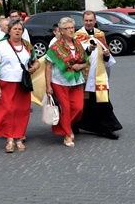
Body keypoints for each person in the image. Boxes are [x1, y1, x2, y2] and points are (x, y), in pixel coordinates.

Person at [0, 19, 40, 152]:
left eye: (20, 29)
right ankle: (10, 139)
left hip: (22, 84)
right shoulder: (0, 45)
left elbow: (36, 61)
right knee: (8, 111)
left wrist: (34, 67)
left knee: (22, 111)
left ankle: (19, 137)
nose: (18, 31)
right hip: (5, 83)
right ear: (9, 30)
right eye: (15, 29)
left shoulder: (27, 46)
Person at [74, 11, 122, 139]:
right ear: (83, 21)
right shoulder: (77, 36)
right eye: (86, 20)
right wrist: (88, 50)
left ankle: (108, 128)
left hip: (99, 75)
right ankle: (77, 124)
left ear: (95, 21)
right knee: (84, 102)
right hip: (84, 75)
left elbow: (106, 57)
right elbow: (76, 56)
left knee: (103, 101)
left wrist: (107, 55)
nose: (88, 23)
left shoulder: (100, 35)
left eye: (91, 20)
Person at [45, 17, 88, 147]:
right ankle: (67, 135)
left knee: (79, 107)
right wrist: (48, 86)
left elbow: (86, 62)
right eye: (67, 28)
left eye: (72, 28)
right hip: (59, 81)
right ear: (61, 31)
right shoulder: (55, 47)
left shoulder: (78, 44)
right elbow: (47, 67)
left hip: (76, 80)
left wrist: (80, 66)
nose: (70, 30)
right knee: (65, 108)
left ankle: (65, 126)